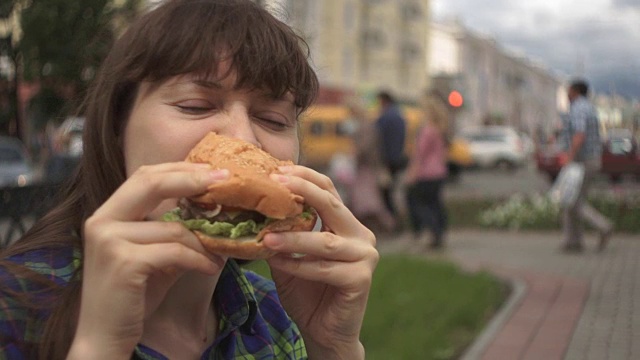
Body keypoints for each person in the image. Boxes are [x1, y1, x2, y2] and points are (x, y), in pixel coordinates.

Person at [0, 1, 378, 359]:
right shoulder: (13, 302)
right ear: (117, 125)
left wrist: (334, 348)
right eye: (195, 106)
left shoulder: (276, 316)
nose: (242, 140)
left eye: (274, 119)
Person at [558, 79, 613, 253]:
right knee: (570, 201)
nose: (566, 94)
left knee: (573, 202)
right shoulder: (588, 107)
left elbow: (579, 135)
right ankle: (573, 241)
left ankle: (603, 226)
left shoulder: (579, 108)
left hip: (581, 161)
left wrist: (569, 158)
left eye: (568, 90)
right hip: (589, 159)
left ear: (575, 91)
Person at [404, 90, 449, 249]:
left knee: (418, 203)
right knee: (435, 203)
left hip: (426, 173)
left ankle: (431, 230)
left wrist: (411, 175)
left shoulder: (427, 130)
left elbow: (419, 155)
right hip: (439, 172)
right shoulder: (439, 129)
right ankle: (439, 233)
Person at [346, 99, 396, 234]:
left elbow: (365, 147)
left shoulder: (365, 126)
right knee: (365, 200)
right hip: (365, 167)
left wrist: (354, 154)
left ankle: (389, 225)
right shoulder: (365, 125)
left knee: (370, 202)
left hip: (367, 167)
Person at [374, 90, 407, 225]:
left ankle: (392, 221)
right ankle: (397, 220)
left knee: (386, 193)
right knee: (394, 191)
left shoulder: (385, 117)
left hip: (386, 160)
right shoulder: (399, 116)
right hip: (397, 158)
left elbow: (378, 138)